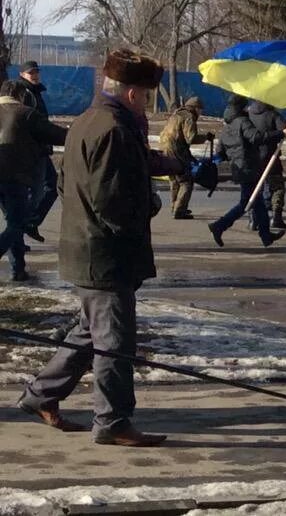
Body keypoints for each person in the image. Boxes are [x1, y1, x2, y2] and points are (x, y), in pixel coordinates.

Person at [19, 49, 183, 446]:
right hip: (106, 256)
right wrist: (151, 204)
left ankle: (41, 395)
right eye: (145, 94)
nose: (146, 101)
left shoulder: (89, 122)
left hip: (86, 248)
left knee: (90, 333)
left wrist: (176, 165)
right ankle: (112, 422)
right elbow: (110, 201)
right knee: (115, 343)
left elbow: (72, 182)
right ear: (130, 93)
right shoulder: (113, 129)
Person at [0, 80, 67, 281]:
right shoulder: (26, 114)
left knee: (14, 224)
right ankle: (16, 268)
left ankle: (18, 269)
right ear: (20, 95)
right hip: (15, 177)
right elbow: (56, 135)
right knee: (17, 222)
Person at [208, 96, 286, 248]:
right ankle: (219, 226)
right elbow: (256, 137)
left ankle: (266, 236)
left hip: (239, 167)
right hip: (249, 167)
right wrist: (281, 133)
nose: (248, 109)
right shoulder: (242, 122)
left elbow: (220, 151)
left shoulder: (228, 124)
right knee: (246, 203)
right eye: (245, 106)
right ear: (241, 107)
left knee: (257, 202)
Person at [12, 60, 58, 243]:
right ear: (22, 75)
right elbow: (29, 122)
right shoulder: (26, 93)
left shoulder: (34, 92)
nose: (35, 75)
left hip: (38, 148)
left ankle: (23, 230)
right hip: (34, 150)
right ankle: (26, 225)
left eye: (37, 72)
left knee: (41, 189)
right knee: (46, 187)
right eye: (31, 73)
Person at [158, 97, 214, 220]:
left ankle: (174, 206)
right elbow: (191, 138)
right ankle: (180, 210)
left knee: (174, 179)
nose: (201, 113)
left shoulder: (176, 114)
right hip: (176, 151)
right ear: (195, 108)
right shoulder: (189, 117)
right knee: (186, 181)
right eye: (200, 110)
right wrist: (206, 137)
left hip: (164, 149)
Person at [248, 101, 286, 230]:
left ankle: (253, 219)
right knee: (277, 187)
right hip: (270, 157)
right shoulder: (273, 115)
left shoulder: (248, 114)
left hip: (253, 157)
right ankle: (276, 217)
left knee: (256, 188)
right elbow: (285, 131)